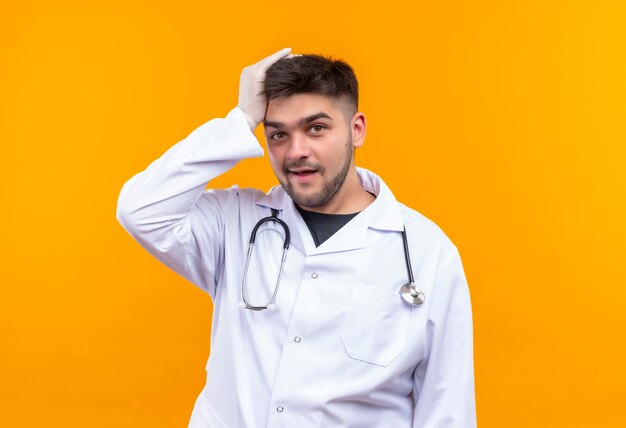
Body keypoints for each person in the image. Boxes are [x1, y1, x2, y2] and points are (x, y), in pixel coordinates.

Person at [116, 48, 476, 427]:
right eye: (278, 134)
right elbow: (140, 209)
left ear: (357, 129)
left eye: (316, 128)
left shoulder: (426, 252)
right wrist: (241, 119)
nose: (296, 151)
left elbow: (447, 408)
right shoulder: (235, 222)